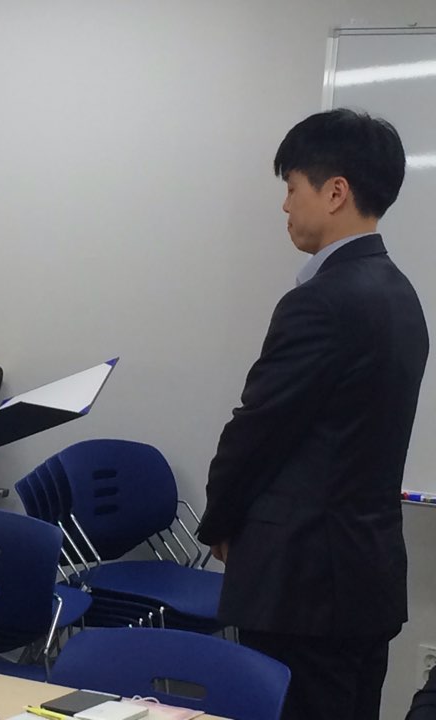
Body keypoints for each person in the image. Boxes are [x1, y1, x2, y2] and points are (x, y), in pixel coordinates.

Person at [197, 109, 429, 720]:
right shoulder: (402, 295)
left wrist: (220, 521)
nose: (285, 205)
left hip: (300, 586)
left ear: (335, 192)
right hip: (366, 577)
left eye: (292, 186)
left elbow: (257, 430)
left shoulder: (322, 301)